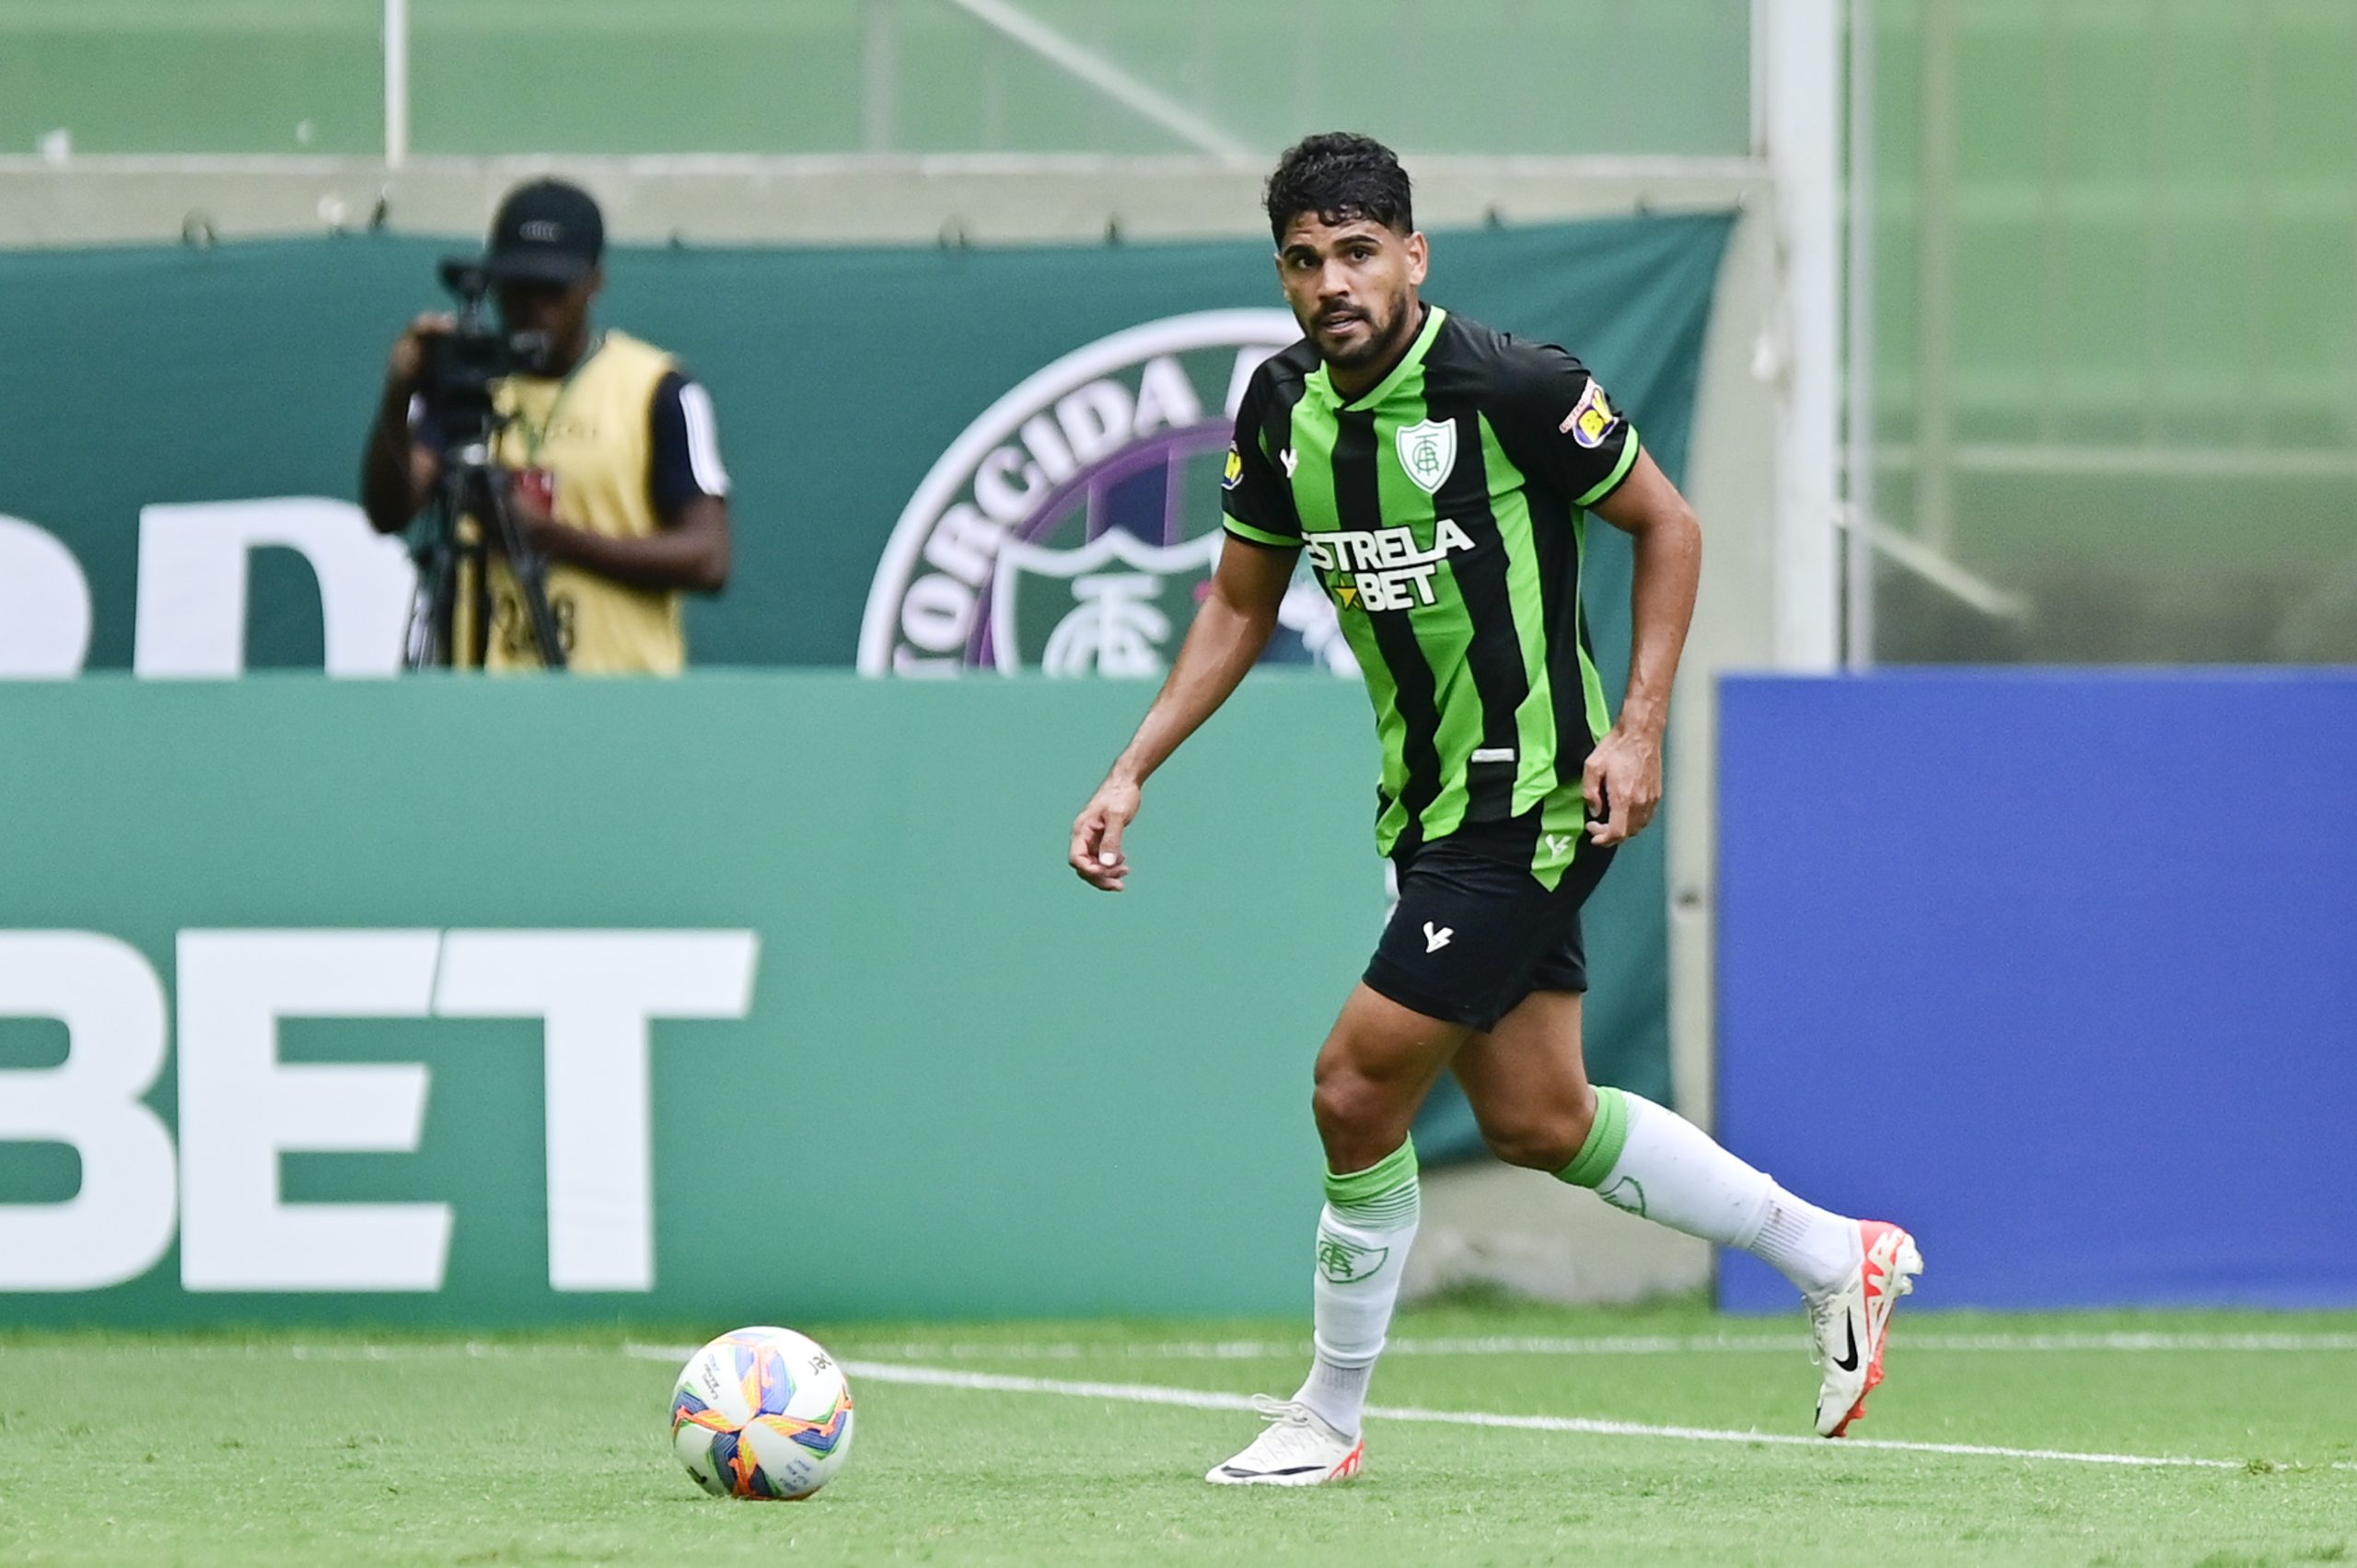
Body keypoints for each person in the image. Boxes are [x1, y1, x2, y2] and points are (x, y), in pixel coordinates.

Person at [1067, 133, 1921, 1486]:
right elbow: (1236, 602)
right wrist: (1132, 768)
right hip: (1427, 808)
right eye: (1305, 258)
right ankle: (1835, 1251)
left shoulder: (1515, 384)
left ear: (1414, 253)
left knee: (1353, 1089)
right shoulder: (1281, 409)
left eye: (1358, 251)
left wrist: (1636, 731)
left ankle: (1328, 1415)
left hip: (1534, 794)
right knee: (1535, 1112)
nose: (1332, 280)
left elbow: (1671, 526)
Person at [360, 178, 732, 672]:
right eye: (517, 286)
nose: (534, 307)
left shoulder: (657, 388)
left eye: (553, 288)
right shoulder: (467, 383)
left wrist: (548, 537)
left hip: (621, 704)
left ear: (595, 281)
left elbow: (708, 559)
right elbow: (390, 511)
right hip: (488, 703)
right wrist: (400, 390)